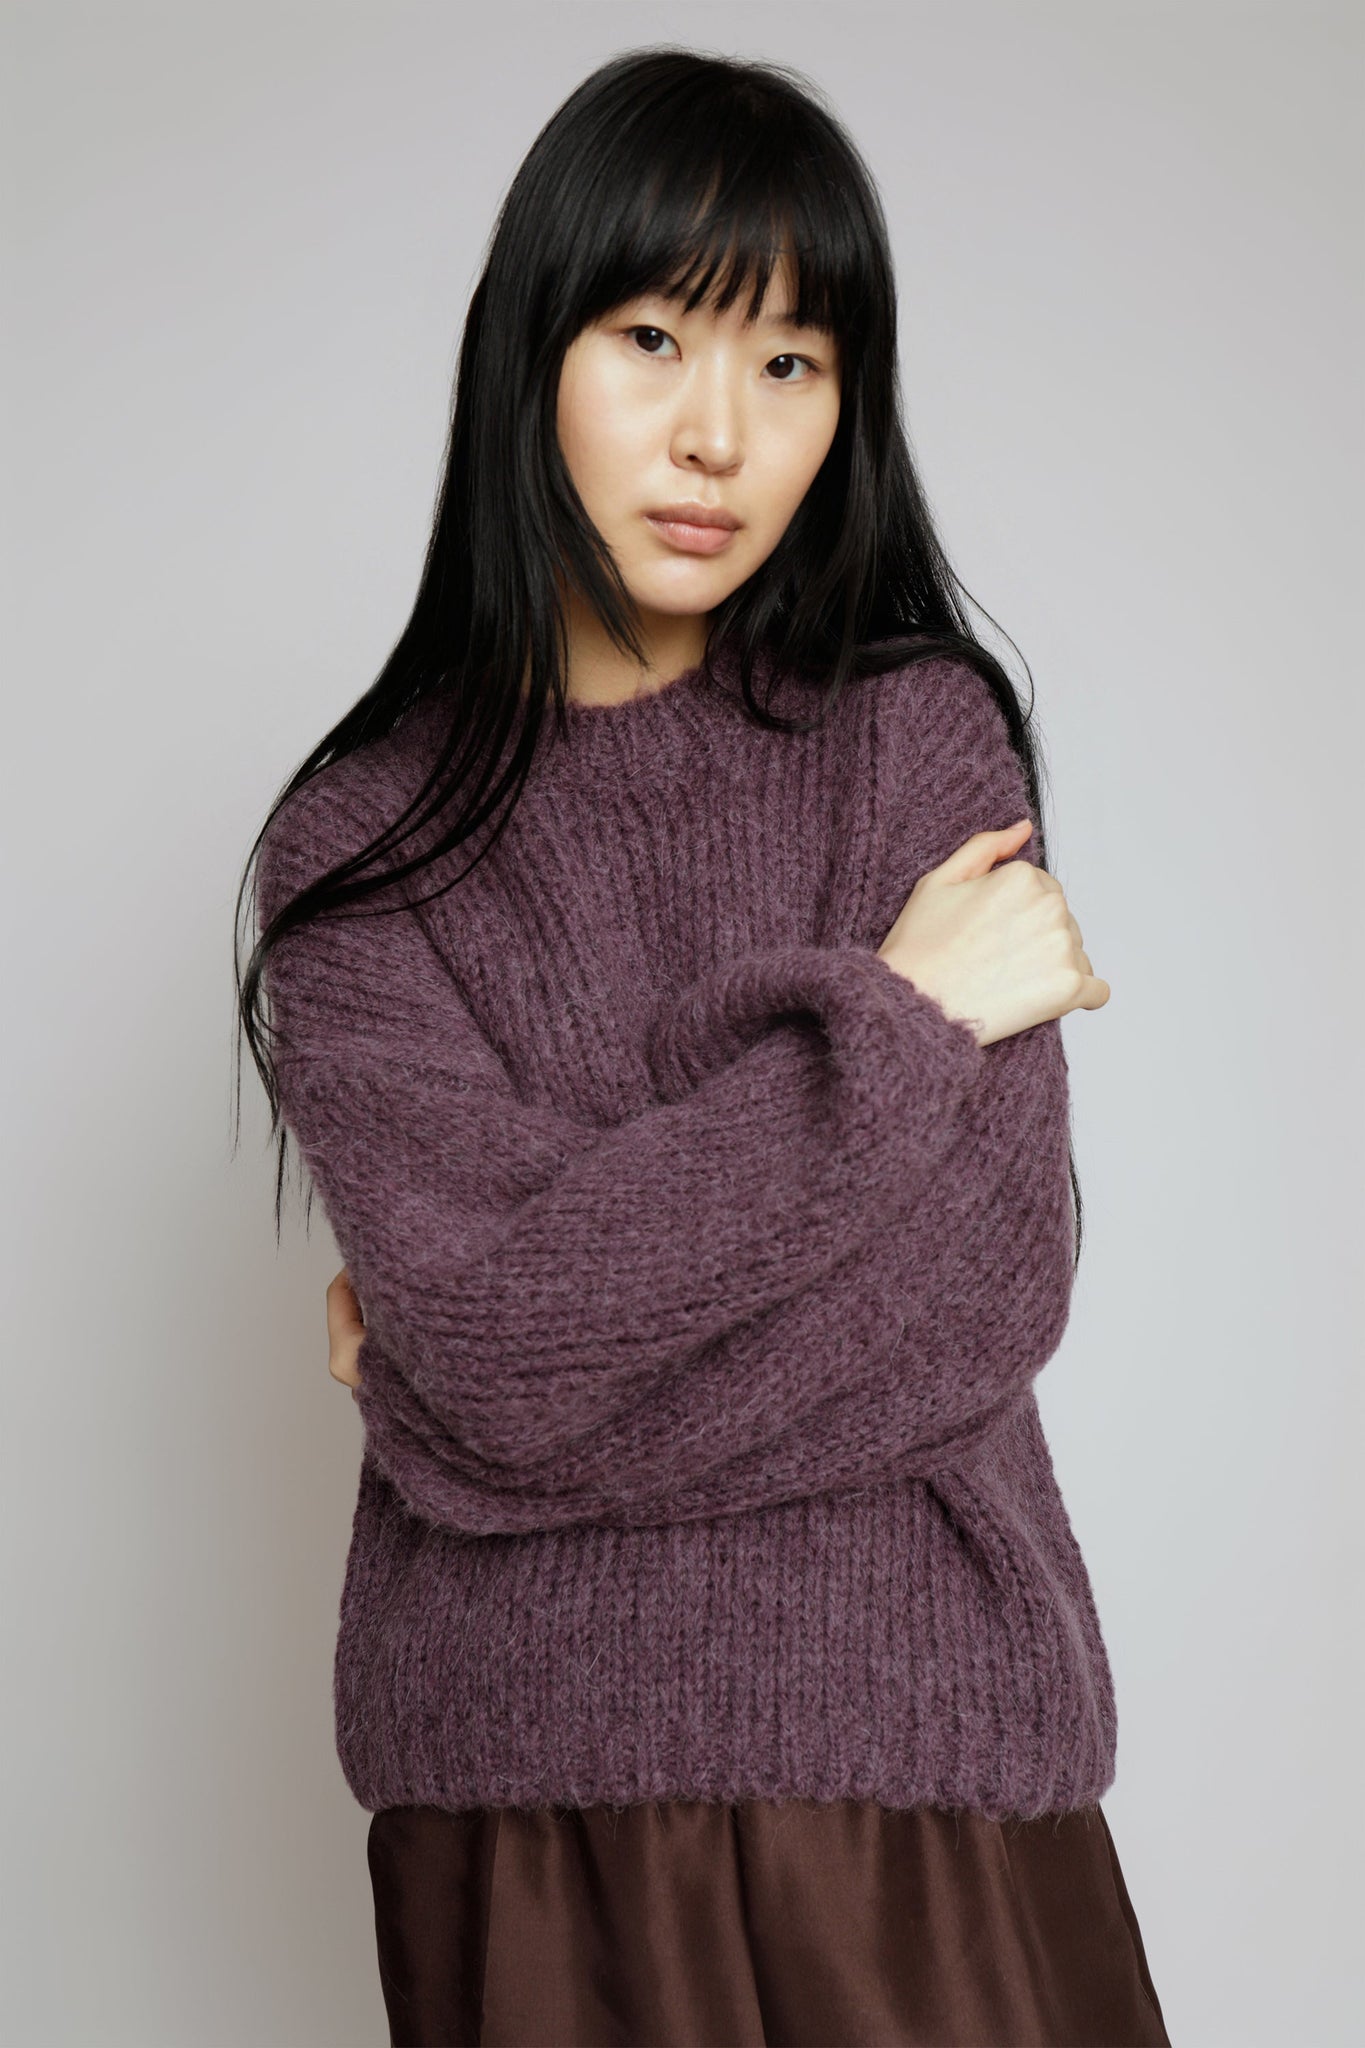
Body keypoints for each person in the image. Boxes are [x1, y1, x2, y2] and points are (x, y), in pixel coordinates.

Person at [238, 45, 1171, 2048]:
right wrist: (896, 1022)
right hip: (521, 1801)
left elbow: (979, 1295)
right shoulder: (360, 852)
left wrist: (452, 1410)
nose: (716, 436)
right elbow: (495, 1349)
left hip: (916, 1773)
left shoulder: (914, 742)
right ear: (530, 353)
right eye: (652, 337)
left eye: (790, 363)